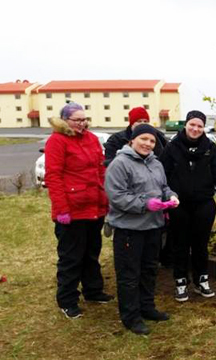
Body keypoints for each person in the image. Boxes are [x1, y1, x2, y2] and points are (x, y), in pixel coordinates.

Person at [105, 123, 179, 335]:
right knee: (129, 274)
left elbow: (163, 187)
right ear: (132, 140)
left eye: (152, 141)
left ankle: (147, 308)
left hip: (153, 227)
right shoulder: (119, 164)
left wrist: (170, 195)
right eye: (144, 139)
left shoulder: (155, 163)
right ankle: (131, 316)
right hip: (129, 229)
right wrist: (144, 204)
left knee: (149, 270)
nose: (148, 144)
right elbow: (117, 197)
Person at [44, 102, 113, 319]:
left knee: (91, 253)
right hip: (72, 211)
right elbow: (53, 176)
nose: (82, 123)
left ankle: (93, 290)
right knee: (71, 257)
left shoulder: (92, 139)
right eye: (77, 120)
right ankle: (67, 300)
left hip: (94, 207)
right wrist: (62, 208)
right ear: (65, 120)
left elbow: (100, 171)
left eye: (84, 119)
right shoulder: (57, 141)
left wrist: (106, 199)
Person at [160, 110, 216, 302]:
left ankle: (201, 280)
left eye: (199, 126)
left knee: (200, 243)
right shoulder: (172, 146)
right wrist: (164, 199)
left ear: (203, 128)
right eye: (192, 124)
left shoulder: (210, 147)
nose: (195, 129)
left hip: (204, 203)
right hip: (178, 204)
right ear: (186, 125)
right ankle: (181, 281)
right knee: (179, 243)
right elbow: (162, 175)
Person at [103, 107, 167, 167]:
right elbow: (110, 162)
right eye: (139, 121)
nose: (142, 123)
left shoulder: (158, 137)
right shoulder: (116, 139)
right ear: (132, 123)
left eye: (145, 121)